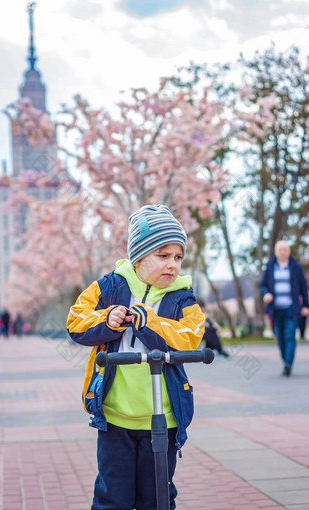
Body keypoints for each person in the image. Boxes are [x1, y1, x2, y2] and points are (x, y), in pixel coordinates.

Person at [67, 204, 205, 510]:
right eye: (163, 255)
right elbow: (76, 320)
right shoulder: (110, 286)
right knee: (112, 496)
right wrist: (106, 319)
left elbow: (191, 336)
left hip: (163, 418)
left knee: (156, 498)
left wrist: (150, 322)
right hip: (116, 417)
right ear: (139, 257)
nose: (173, 264)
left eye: (178, 257)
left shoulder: (181, 296)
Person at [259, 240, 309, 376]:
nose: (283, 252)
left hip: (292, 309)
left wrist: (306, 305)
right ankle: (286, 361)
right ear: (276, 252)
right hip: (275, 310)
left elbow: (304, 288)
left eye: (285, 249)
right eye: (280, 249)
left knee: (289, 336)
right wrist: (266, 294)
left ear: (289, 251)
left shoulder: (295, 267)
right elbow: (263, 285)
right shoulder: (270, 266)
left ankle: (288, 363)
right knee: (280, 338)